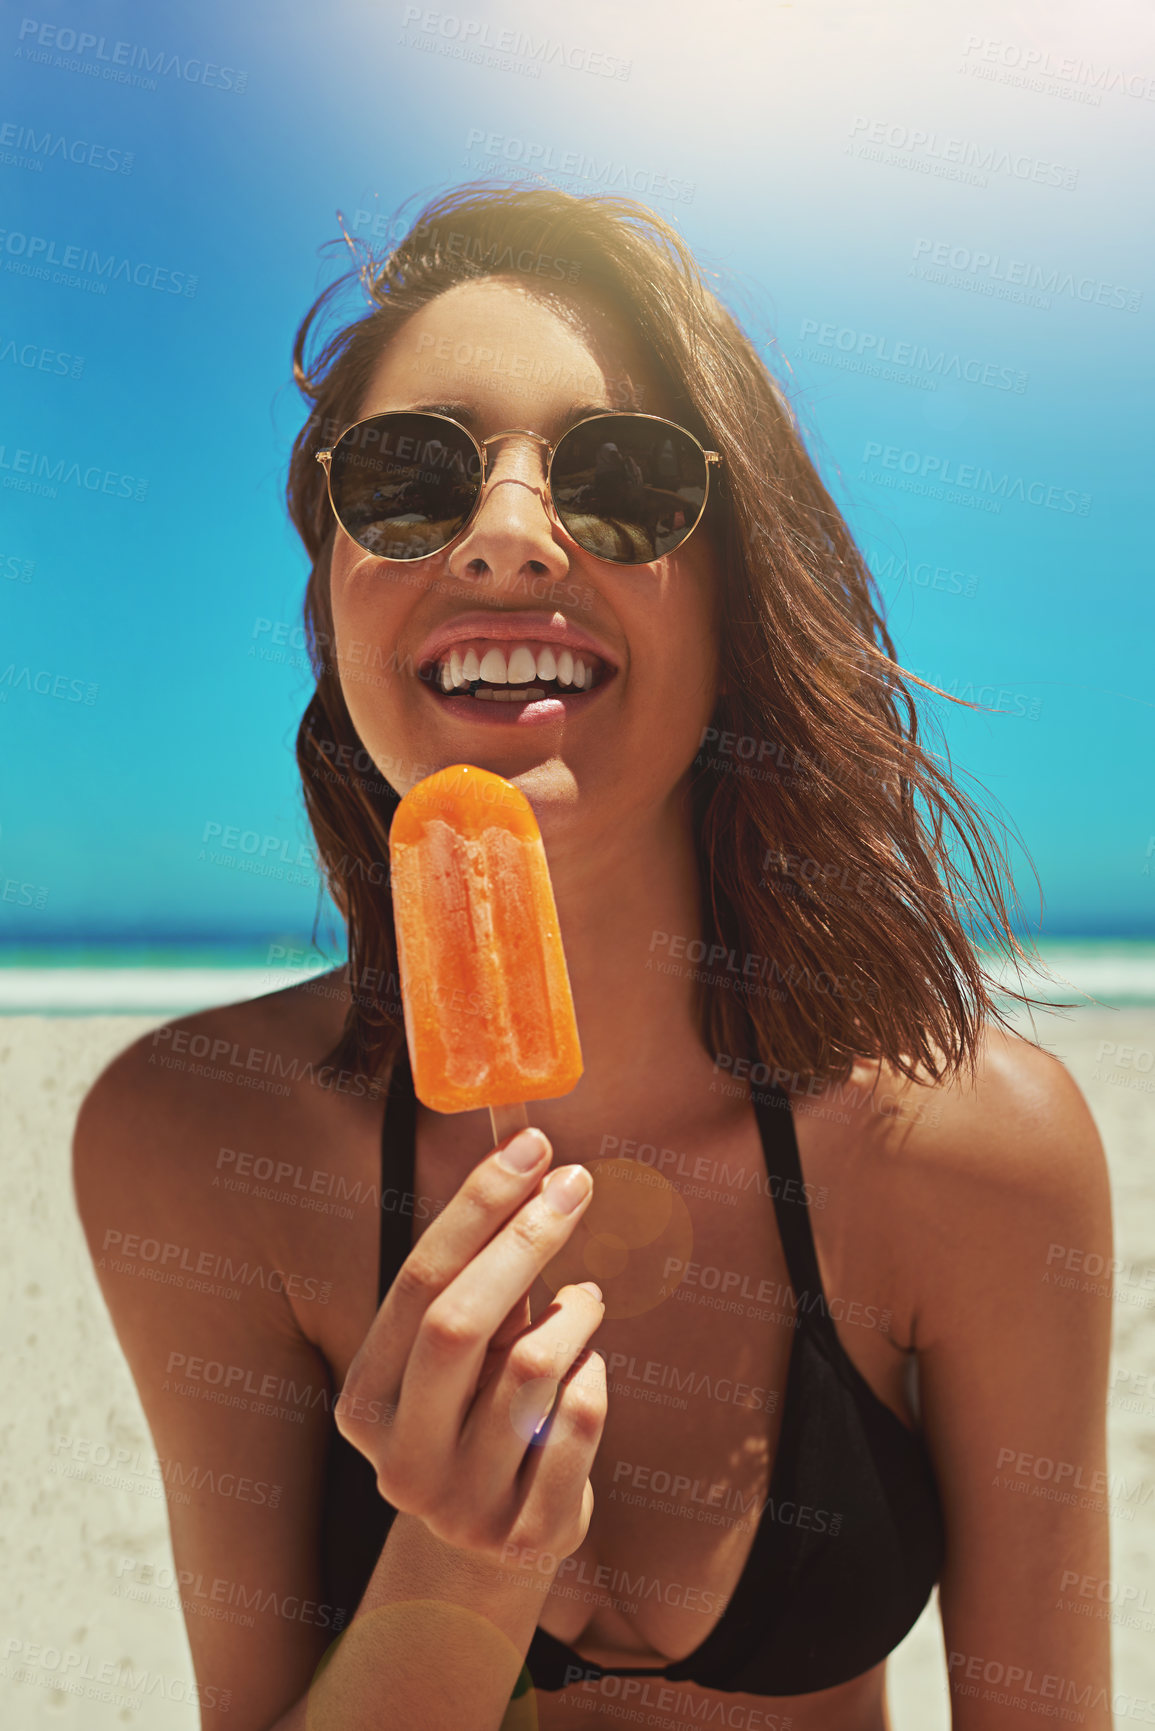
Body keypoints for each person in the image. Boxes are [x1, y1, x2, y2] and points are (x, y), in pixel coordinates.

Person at [73, 185, 1113, 1731]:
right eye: (411, 477)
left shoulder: (971, 1155)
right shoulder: (195, 1140)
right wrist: (463, 1561)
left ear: (736, 598)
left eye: (623, 482)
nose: (504, 536)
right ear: (331, 600)